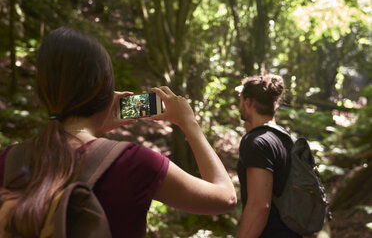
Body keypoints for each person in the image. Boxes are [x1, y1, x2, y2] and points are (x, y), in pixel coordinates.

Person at [0, 27, 236, 238]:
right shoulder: (134, 163)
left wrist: (96, 127)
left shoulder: (9, 160)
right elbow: (225, 198)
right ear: (104, 90)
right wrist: (189, 123)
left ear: (43, 92)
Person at [235, 73, 302, 238]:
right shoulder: (289, 140)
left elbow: (259, 206)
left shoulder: (256, 142)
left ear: (248, 102)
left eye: (241, 100)